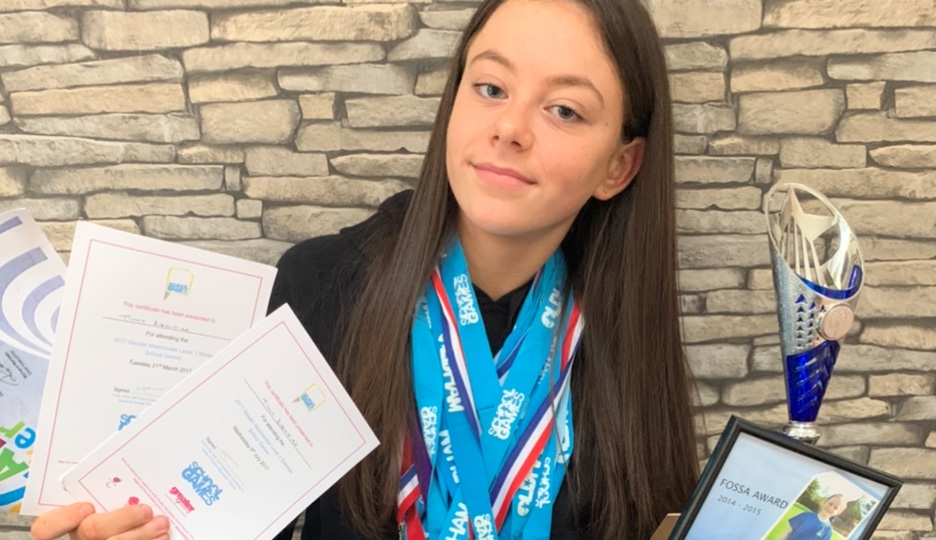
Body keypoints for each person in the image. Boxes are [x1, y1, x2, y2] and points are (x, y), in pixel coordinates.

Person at [29, 0, 699, 537]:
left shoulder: (622, 331)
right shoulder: (319, 288)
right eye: (490, 87)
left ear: (619, 165)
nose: (510, 128)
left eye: (564, 110)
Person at [778, 494, 846, 540]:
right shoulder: (806, 515)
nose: (831, 508)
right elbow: (787, 531)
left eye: (836, 508)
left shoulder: (828, 530)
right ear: (824, 502)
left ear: (838, 512)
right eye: (830, 504)